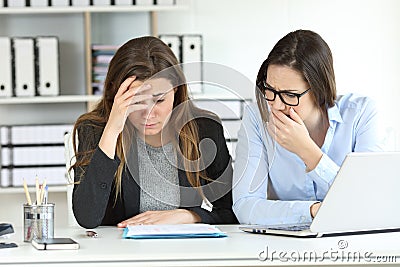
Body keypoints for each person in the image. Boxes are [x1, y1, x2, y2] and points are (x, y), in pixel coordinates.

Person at [71, 36, 237, 229]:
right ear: (115, 95)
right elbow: (87, 218)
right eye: (136, 102)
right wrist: (112, 130)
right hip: (121, 252)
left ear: (176, 92)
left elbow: (232, 211)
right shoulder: (95, 130)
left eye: (159, 100)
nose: (148, 114)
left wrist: (189, 216)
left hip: (186, 250)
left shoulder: (204, 129)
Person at [233, 30, 384, 225]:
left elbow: (371, 201)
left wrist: (307, 151)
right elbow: (245, 206)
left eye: (289, 95)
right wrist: (313, 211)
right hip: (281, 245)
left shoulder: (361, 114)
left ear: (319, 89)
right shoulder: (257, 116)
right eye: (270, 90)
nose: (276, 105)